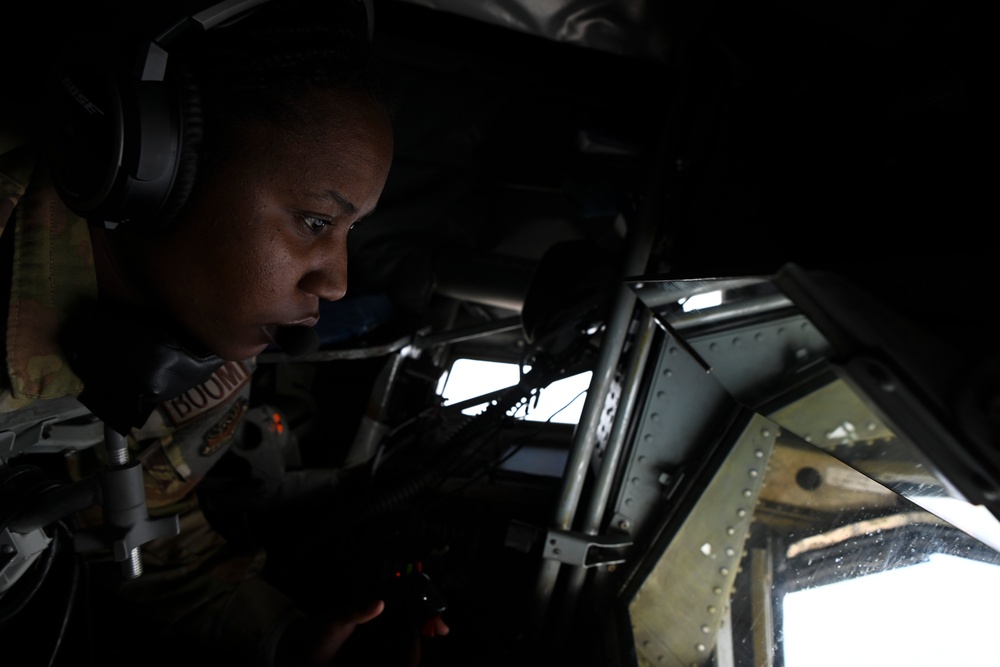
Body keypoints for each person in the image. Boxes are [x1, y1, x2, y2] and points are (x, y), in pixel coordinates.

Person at [0, 0, 445, 664]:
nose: (337, 283)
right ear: (158, 160)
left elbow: (153, 533)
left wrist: (288, 639)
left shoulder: (199, 370)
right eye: (317, 222)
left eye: (351, 234)